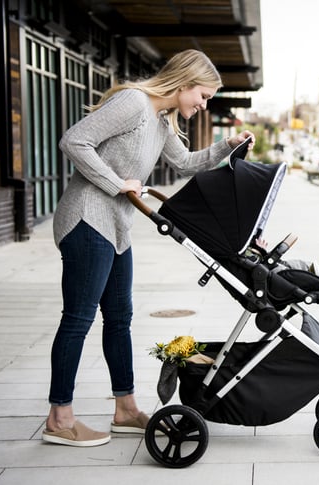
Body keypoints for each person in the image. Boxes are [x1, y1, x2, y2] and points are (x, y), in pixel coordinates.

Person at [42, 49, 254, 447]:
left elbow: (186, 163)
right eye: (203, 96)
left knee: (120, 318)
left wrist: (228, 144)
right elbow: (74, 140)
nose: (204, 105)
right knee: (78, 319)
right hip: (87, 219)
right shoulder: (134, 103)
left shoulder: (160, 120)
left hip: (117, 227)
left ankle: (125, 410)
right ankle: (59, 419)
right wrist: (116, 182)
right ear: (184, 83)